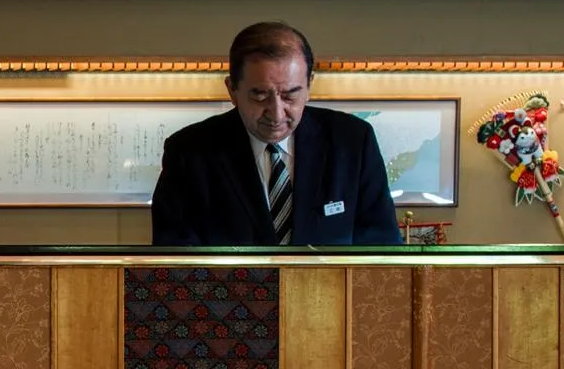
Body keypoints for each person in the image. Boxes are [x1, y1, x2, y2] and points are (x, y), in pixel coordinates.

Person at [150, 22, 402, 246]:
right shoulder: (189, 152)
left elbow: (382, 249)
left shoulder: (352, 141)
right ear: (232, 90)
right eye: (260, 96)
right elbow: (175, 258)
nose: (277, 114)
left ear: (309, 86)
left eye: (290, 96)